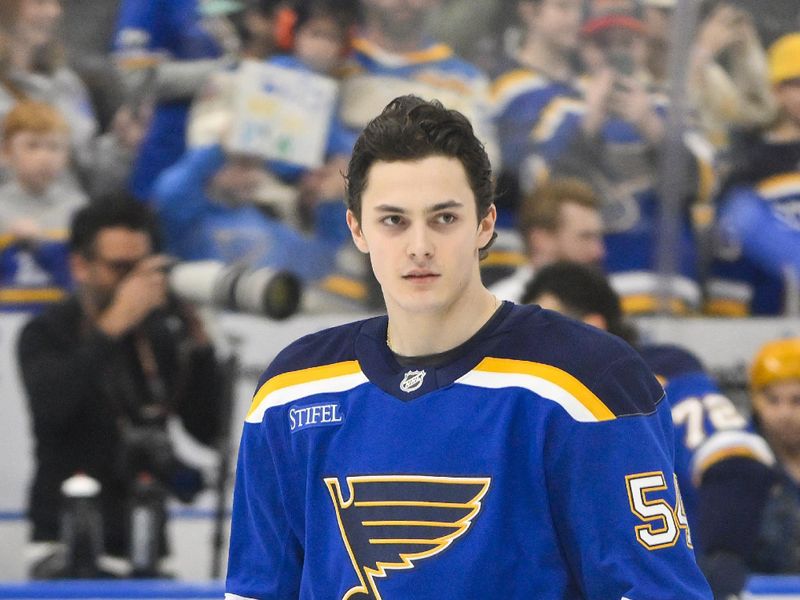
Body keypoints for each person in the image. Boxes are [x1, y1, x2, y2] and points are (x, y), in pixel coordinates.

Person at [225, 95, 712, 599]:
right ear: (357, 228)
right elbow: (257, 589)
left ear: (485, 224)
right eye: (393, 220)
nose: (419, 246)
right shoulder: (291, 391)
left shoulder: (588, 382)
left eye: (444, 219)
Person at [521, 261, 778, 598]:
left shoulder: (659, 375)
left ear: (591, 325)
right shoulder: (522, 397)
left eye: (547, 330)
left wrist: (718, 564)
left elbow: (736, 463)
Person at [17, 198, 223, 578]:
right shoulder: (46, 332)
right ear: (80, 266)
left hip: (146, 543)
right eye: (120, 269)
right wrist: (113, 325)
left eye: (143, 268)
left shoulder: (162, 334)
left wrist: (202, 345)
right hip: (66, 542)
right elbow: (51, 410)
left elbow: (208, 430)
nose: (134, 283)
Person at [706, 32, 800, 316]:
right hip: (772, 325)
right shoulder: (750, 167)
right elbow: (730, 253)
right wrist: (729, 316)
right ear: (777, 91)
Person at [0, 101, 87, 312]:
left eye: (54, 147)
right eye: (32, 146)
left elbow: (82, 279)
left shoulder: (78, 208)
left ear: (66, 156)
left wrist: (41, 246)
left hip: (60, 324)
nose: (45, 157)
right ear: (6, 152)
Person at [489, 177, 605, 302]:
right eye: (585, 237)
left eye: (597, 237)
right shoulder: (499, 310)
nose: (599, 251)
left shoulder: (602, 304)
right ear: (541, 240)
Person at [747, 338, 800, 577]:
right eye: (773, 400)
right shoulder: (741, 465)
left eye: (797, 400)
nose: (785, 414)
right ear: (755, 402)